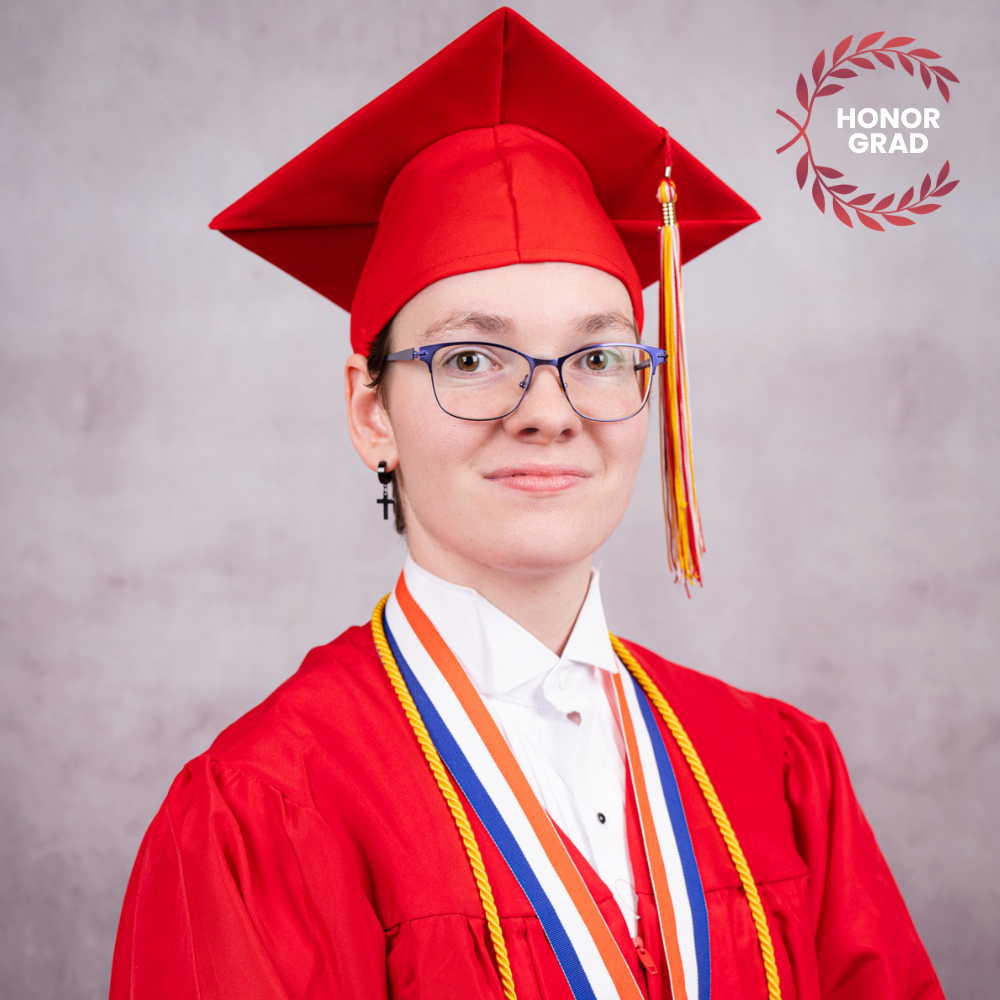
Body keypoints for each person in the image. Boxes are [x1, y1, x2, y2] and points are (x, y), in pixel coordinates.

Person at [110, 9, 944, 1000]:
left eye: (596, 357)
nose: (548, 412)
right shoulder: (260, 810)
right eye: (470, 358)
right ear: (370, 412)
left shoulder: (777, 770)